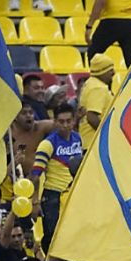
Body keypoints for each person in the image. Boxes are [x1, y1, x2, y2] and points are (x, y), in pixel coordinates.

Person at [31, 104, 84, 252]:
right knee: (54, 238)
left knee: (75, 237)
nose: (65, 125)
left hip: (73, 195)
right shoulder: (47, 144)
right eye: (61, 121)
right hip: (53, 196)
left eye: (68, 121)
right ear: (54, 122)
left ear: (74, 121)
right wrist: (35, 202)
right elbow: (36, 175)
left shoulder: (78, 139)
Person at [77, 54, 115, 152]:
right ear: (102, 71)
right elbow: (92, 117)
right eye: (110, 69)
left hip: (89, 143)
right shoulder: (98, 88)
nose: (113, 73)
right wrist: (106, 136)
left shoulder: (90, 83)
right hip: (94, 144)